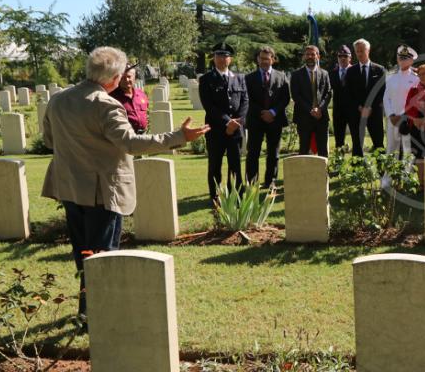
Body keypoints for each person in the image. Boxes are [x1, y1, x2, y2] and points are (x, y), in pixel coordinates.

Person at [41, 46, 209, 317]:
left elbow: (49, 140)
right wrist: (178, 137)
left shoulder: (59, 100)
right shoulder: (105, 104)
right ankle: (100, 314)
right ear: (114, 77)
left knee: (84, 253)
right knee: (102, 256)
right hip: (102, 192)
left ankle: (87, 310)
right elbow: (131, 143)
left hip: (69, 187)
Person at [199, 42, 249, 203]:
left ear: (230, 59)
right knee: (215, 165)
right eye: (218, 56)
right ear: (214, 58)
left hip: (236, 131)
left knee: (235, 165)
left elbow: (245, 101)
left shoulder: (239, 78)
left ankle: (236, 197)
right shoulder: (206, 79)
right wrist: (227, 122)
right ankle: (215, 197)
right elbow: (209, 105)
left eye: (225, 56)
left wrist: (238, 122)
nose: (221, 59)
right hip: (216, 130)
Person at [244, 46, 290, 187]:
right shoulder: (249, 78)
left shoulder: (281, 76)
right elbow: (247, 99)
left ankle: (271, 181)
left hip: (275, 120)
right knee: (253, 153)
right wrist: (262, 113)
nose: (264, 61)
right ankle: (252, 182)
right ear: (257, 60)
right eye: (261, 58)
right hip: (255, 120)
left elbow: (285, 98)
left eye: (267, 58)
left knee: (273, 153)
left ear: (273, 60)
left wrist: (273, 112)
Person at [345, 38, 386, 156]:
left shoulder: (379, 70)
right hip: (356, 113)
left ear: (368, 50)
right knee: (357, 144)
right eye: (357, 51)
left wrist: (369, 108)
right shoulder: (350, 71)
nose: (359, 54)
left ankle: (382, 171)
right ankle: (357, 172)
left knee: (378, 143)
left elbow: (381, 91)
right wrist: (360, 107)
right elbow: (348, 93)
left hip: (374, 112)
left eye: (362, 51)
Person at [290, 45, 332, 157]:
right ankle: (304, 174)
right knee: (304, 149)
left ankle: (323, 174)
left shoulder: (324, 73)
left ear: (318, 56)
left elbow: (328, 94)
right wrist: (311, 110)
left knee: (323, 150)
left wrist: (320, 109)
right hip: (303, 118)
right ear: (304, 56)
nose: (310, 56)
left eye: (313, 54)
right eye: (307, 54)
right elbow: (296, 96)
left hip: (321, 117)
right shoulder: (296, 75)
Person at [384, 46, 419, 158]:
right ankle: (388, 175)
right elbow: (386, 98)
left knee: (407, 148)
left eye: (405, 58)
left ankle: (407, 174)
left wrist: (405, 116)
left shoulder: (416, 78)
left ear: (411, 60)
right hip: (393, 119)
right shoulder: (390, 76)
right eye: (400, 58)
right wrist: (391, 115)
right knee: (391, 148)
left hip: (408, 119)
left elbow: (415, 100)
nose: (402, 61)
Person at [109, 64, 149, 133]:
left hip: (143, 136)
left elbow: (146, 111)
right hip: (125, 138)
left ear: (134, 77)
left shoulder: (141, 94)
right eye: (123, 77)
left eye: (129, 76)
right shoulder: (112, 97)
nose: (126, 80)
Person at [330, 45, 353, 150]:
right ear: (337, 58)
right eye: (340, 56)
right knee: (339, 141)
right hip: (338, 111)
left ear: (350, 58)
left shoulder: (356, 71)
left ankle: (357, 164)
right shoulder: (332, 73)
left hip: (353, 111)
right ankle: (339, 164)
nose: (343, 58)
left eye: (345, 56)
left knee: (357, 139)